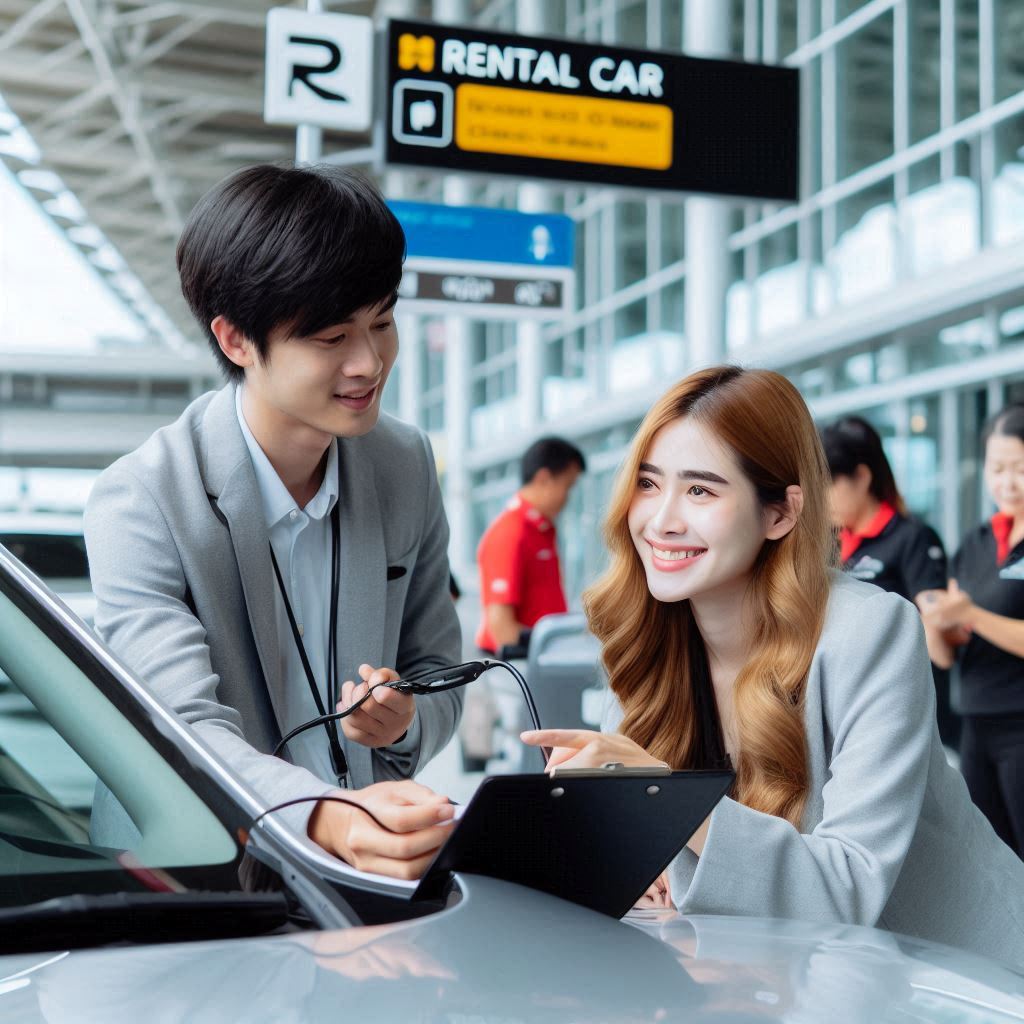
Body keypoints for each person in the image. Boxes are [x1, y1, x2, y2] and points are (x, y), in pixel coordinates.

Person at [522, 365, 1024, 969]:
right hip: (793, 976)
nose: (661, 520)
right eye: (650, 484)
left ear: (781, 515)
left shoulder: (869, 629)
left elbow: (847, 888)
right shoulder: (649, 639)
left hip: (959, 980)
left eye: (701, 490)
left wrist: (661, 801)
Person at [84, 164, 462, 880]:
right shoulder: (142, 501)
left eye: (382, 322)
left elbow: (439, 667)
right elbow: (181, 731)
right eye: (330, 338)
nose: (369, 361)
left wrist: (405, 719)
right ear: (235, 341)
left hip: (360, 874)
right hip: (197, 885)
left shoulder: (404, 462)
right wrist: (326, 817)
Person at [920, 403, 1024, 859]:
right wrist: (935, 623)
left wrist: (973, 615)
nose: (1007, 482)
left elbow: (981, 620)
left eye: (1020, 468)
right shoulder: (976, 542)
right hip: (974, 726)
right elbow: (946, 657)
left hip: (1020, 727)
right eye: (997, 468)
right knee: (994, 865)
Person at [820, 416, 958, 747]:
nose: (821, 500)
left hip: (905, 702)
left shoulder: (912, 538)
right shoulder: (827, 544)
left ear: (862, 477)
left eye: (828, 486)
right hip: (846, 696)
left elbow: (937, 640)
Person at [475, 436, 586, 654]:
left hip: (539, 655)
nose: (568, 498)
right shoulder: (510, 532)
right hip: (517, 663)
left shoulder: (541, 529)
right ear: (544, 479)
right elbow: (502, 628)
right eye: (567, 487)